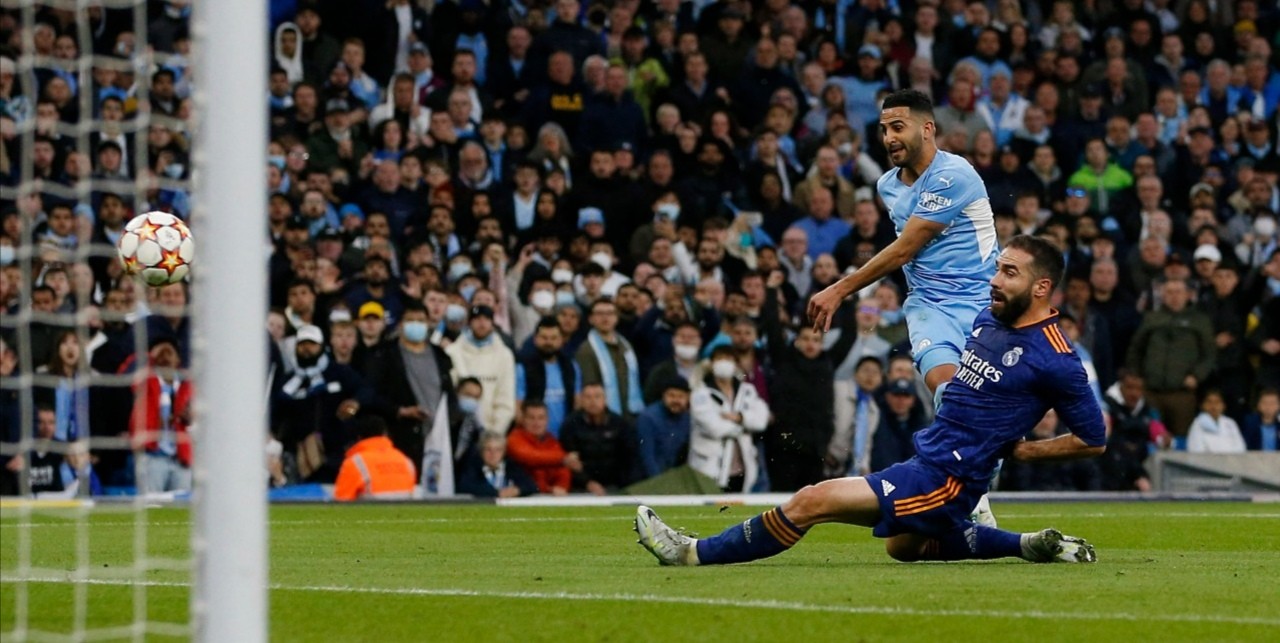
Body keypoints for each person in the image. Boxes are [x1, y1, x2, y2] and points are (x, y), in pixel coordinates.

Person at [637, 236, 1105, 567]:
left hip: (949, 478)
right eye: (998, 267)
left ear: (1042, 287)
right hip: (930, 458)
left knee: (813, 500)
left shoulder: (1057, 358)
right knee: (903, 548)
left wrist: (1023, 451)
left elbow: (1093, 438)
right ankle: (1026, 545)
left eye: (1010, 272)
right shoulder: (990, 317)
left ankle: (691, 553)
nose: (995, 279)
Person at [806, 88, 1001, 525]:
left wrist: (839, 289)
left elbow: (905, 247)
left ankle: (978, 476)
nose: (889, 137)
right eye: (883, 129)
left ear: (927, 128)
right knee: (948, 391)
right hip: (929, 307)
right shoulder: (887, 186)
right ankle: (975, 498)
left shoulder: (955, 174)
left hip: (982, 303)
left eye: (898, 127)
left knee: (983, 405)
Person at [689, 345, 770, 492]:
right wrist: (745, 426)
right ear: (711, 363)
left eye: (728, 359)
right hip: (709, 467)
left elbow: (761, 419)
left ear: (735, 364)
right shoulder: (700, 393)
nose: (724, 362)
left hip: (743, 466)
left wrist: (740, 417)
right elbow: (714, 427)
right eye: (719, 359)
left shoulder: (748, 391)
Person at [333, 415, 417, 501]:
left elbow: (341, 503)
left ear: (359, 437)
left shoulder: (354, 464)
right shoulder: (406, 461)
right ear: (385, 434)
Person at [505, 400, 572, 495]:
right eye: (531, 418)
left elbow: (563, 470)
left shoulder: (552, 441)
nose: (536, 423)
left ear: (547, 420)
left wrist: (561, 486)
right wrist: (562, 458)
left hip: (547, 497)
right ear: (523, 419)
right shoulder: (514, 438)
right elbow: (530, 457)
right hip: (521, 496)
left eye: (541, 418)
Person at [635, 377, 692, 480]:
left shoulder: (687, 418)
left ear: (688, 398)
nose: (676, 400)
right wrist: (662, 483)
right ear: (663, 396)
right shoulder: (648, 418)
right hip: (648, 479)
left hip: (672, 475)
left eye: (681, 396)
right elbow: (647, 457)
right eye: (671, 395)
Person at [457, 432, 539, 498]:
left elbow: (531, 486)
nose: (493, 454)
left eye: (498, 450)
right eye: (488, 449)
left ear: (504, 452)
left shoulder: (511, 467)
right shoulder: (473, 467)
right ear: (481, 451)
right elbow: (465, 486)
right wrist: (496, 493)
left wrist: (517, 490)